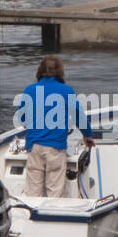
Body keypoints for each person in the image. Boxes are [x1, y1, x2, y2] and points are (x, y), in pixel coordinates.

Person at [20, 56, 93, 199]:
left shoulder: (29, 90)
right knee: (55, 192)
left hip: (34, 146)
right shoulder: (66, 91)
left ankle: (33, 217)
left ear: (39, 71)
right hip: (55, 148)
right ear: (60, 72)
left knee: (33, 193)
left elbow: (22, 118)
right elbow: (78, 115)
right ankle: (53, 217)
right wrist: (87, 135)